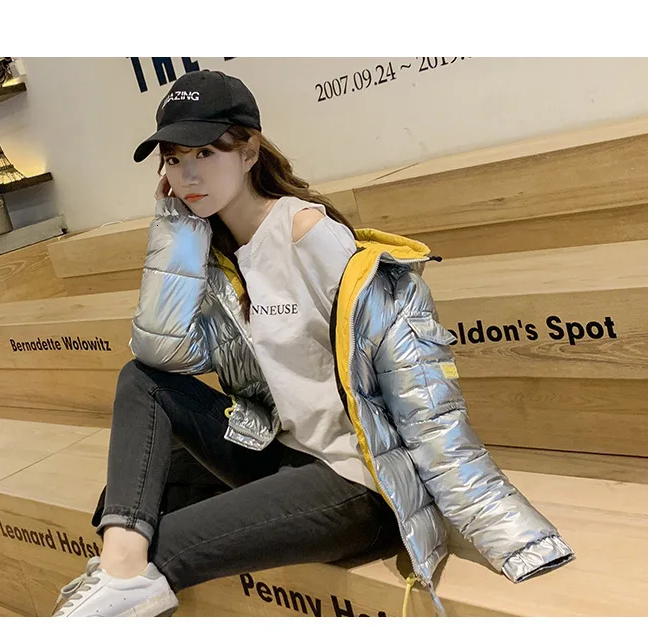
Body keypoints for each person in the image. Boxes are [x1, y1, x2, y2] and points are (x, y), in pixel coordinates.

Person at [52, 69, 574, 618]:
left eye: (205, 152)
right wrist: (173, 233)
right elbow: (162, 355)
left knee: (164, 544)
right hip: (280, 455)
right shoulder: (211, 255)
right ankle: (122, 569)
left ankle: (122, 576)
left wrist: (507, 529)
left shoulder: (307, 233)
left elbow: (420, 390)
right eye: (174, 159)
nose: (188, 174)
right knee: (138, 399)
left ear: (249, 151)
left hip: (354, 485)